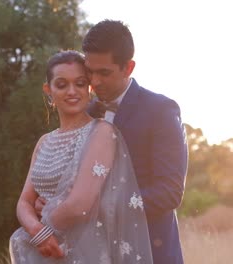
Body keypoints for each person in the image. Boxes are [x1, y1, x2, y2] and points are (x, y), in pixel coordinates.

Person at [9, 50, 154, 263]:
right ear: (48, 90)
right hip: (45, 248)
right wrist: (36, 232)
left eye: (79, 83)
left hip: (84, 252)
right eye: (61, 84)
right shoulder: (44, 142)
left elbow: (79, 205)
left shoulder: (101, 132)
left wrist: (44, 222)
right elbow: (24, 201)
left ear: (89, 88)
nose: (72, 91)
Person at [83, 20, 188, 263]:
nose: (94, 82)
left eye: (104, 73)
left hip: (151, 250)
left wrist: (102, 208)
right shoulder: (85, 112)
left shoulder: (160, 110)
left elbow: (170, 192)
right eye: (90, 71)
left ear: (128, 67)